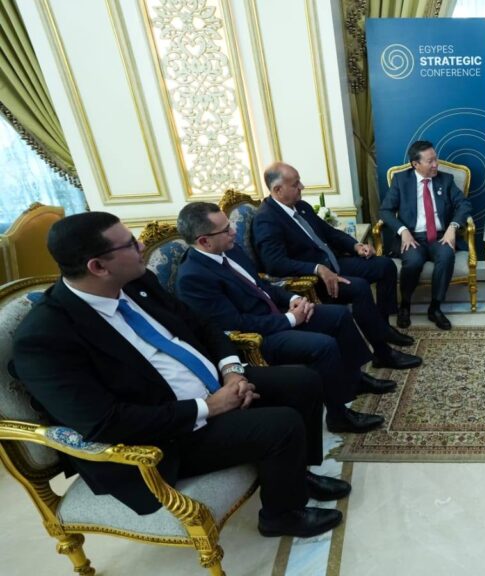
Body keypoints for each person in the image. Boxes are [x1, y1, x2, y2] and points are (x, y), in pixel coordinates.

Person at [13, 212, 348, 538]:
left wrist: (231, 372)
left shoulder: (136, 282)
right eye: (130, 244)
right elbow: (105, 422)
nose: (142, 247)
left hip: (212, 385)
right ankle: (281, 516)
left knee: (302, 382)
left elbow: (203, 325)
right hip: (163, 435)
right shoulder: (45, 337)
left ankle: (297, 476)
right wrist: (210, 407)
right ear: (98, 267)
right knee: (282, 424)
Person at [175, 202, 392, 434]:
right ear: (204, 241)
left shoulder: (229, 249)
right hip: (258, 337)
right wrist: (290, 319)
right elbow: (234, 323)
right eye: (226, 229)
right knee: (324, 346)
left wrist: (293, 298)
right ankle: (339, 416)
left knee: (339, 315)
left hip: (275, 313)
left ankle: (354, 378)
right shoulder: (193, 278)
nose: (233, 232)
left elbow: (262, 285)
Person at [252, 162, 420, 369]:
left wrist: (356, 246)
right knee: (359, 288)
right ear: (278, 190)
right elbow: (274, 263)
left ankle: (383, 328)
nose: (302, 187)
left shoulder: (301, 206)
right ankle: (383, 354)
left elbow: (330, 233)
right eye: (295, 184)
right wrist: (316, 269)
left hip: (333, 262)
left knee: (385, 265)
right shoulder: (266, 219)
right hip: (315, 279)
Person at [380, 140, 471, 330]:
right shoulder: (401, 180)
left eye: (435, 159)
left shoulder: (445, 180)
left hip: (440, 236)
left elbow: (463, 205)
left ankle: (435, 307)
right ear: (416, 164)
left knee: (446, 254)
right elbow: (386, 211)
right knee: (413, 261)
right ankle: (405, 305)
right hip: (412, 236)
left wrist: (453, 227)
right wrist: (403, 231)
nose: (436, 164)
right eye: (430, 161)